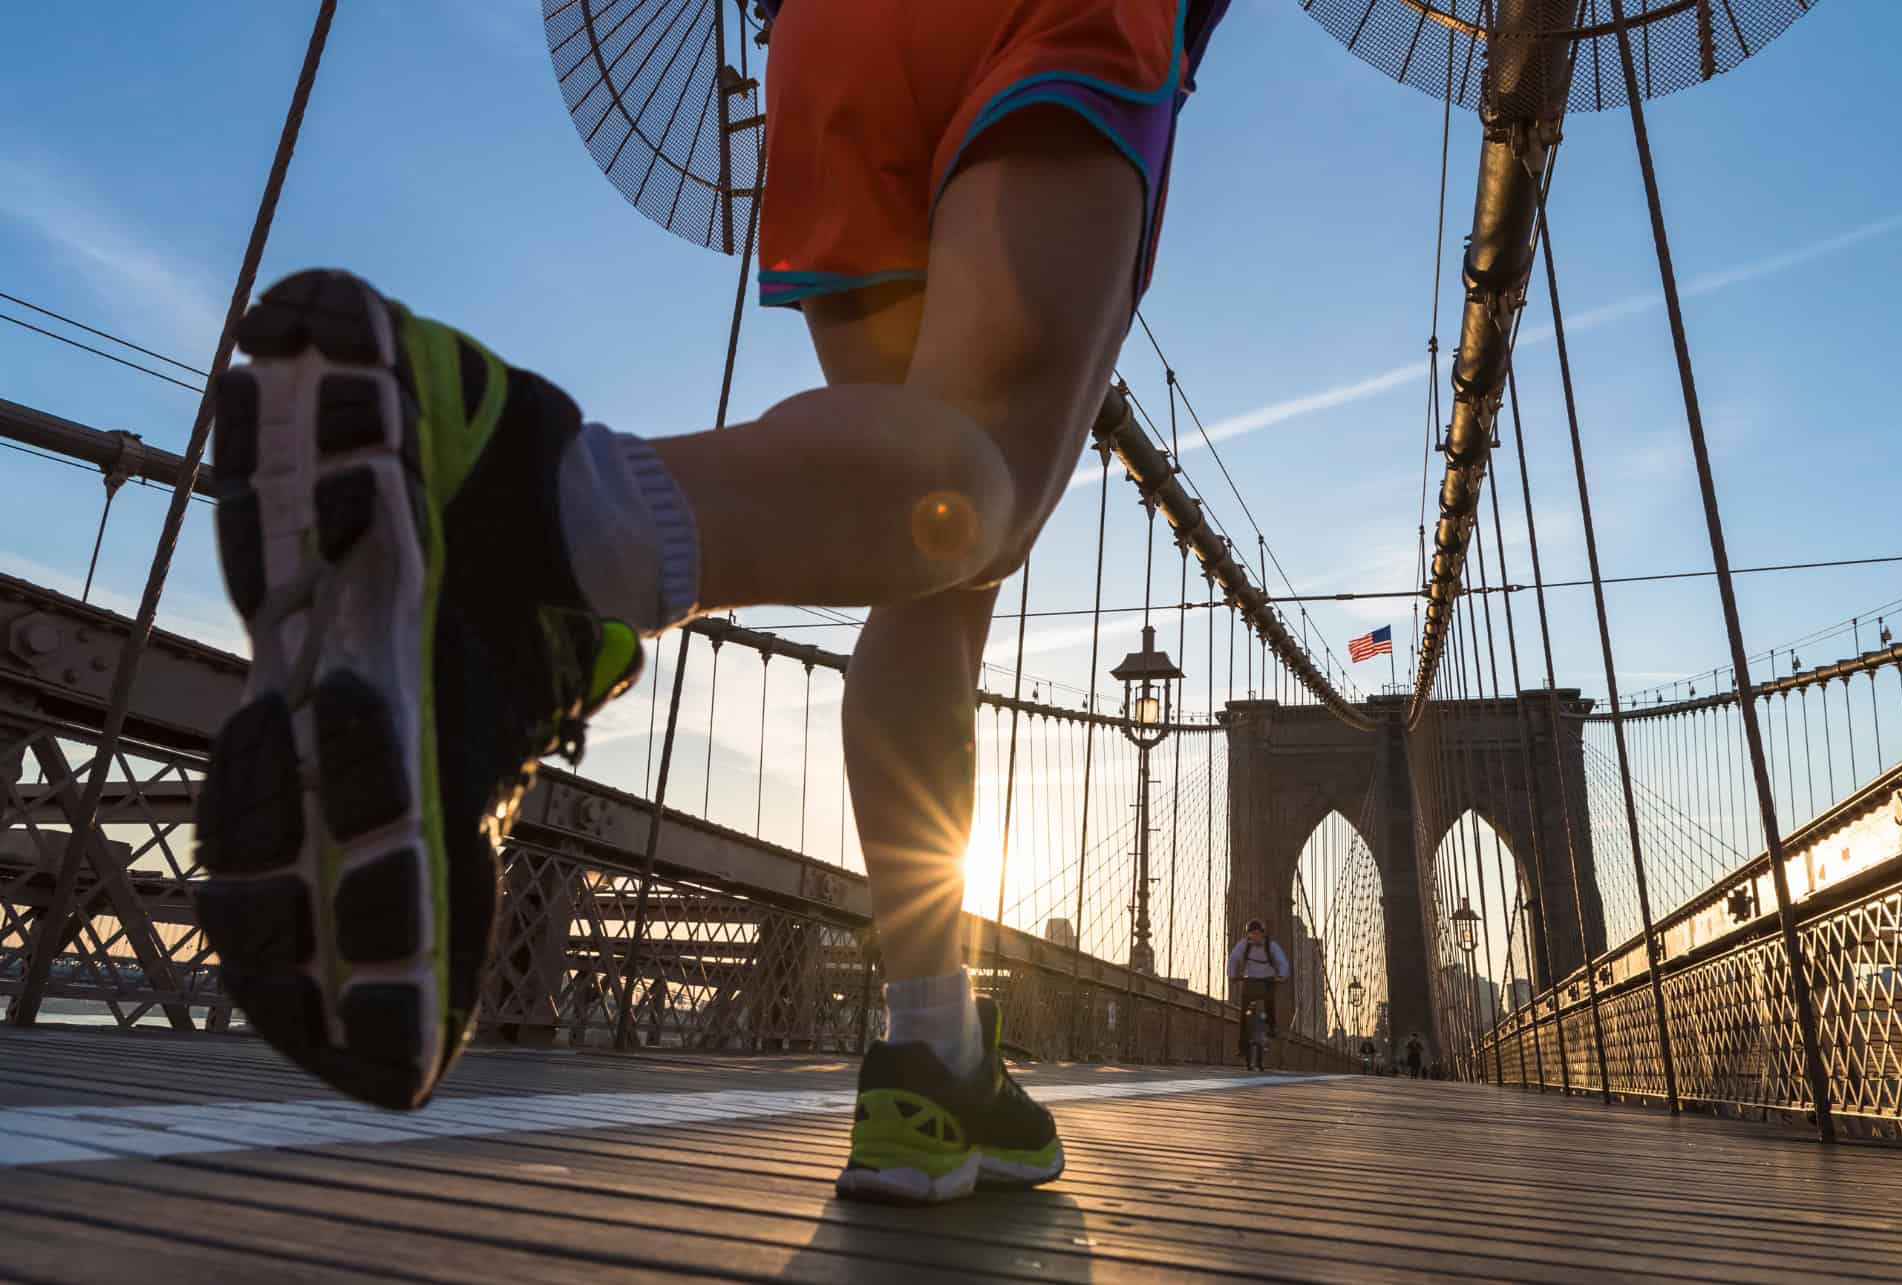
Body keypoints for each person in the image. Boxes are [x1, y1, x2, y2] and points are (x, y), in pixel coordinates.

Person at [190, 0, 1235, 1209]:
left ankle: (933, 1057)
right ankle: (526, 516)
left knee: (930, 559)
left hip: (836, 40)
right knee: (981, 479)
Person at [1227, 918, 1289, 1064]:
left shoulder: (1271, 946)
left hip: (1268, 979)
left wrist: (1282, 975)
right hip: (1250, 979)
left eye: (1257, 933)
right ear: (1248, 934)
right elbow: (1233, 959)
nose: (1255, 936)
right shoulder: (1243, 945)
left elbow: (1282, 962)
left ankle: (1272, 1027)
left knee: (1269, 1002)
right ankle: (1242, 1047)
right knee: (1243, 1013)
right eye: (1252, 933)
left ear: (1263, 933)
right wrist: (1232, 974)